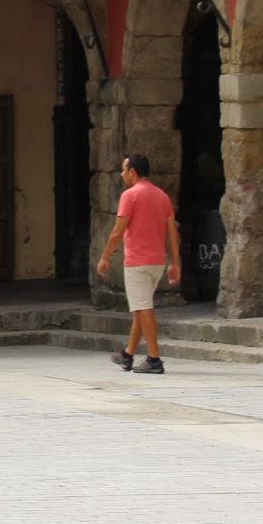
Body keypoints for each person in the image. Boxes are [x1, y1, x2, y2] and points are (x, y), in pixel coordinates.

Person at [97, 153, 181, 375]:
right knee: (139, 308)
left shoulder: (130, 195)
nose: (122, 174)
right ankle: (127, 355)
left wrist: (105, 256)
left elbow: (118, 230)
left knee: (143, 308)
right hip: (157, 262)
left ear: (132, 172)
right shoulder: (162, 196)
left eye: (124, 171)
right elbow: (172, 232)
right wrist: (175, 262)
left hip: (137, 262)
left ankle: (154, 359)